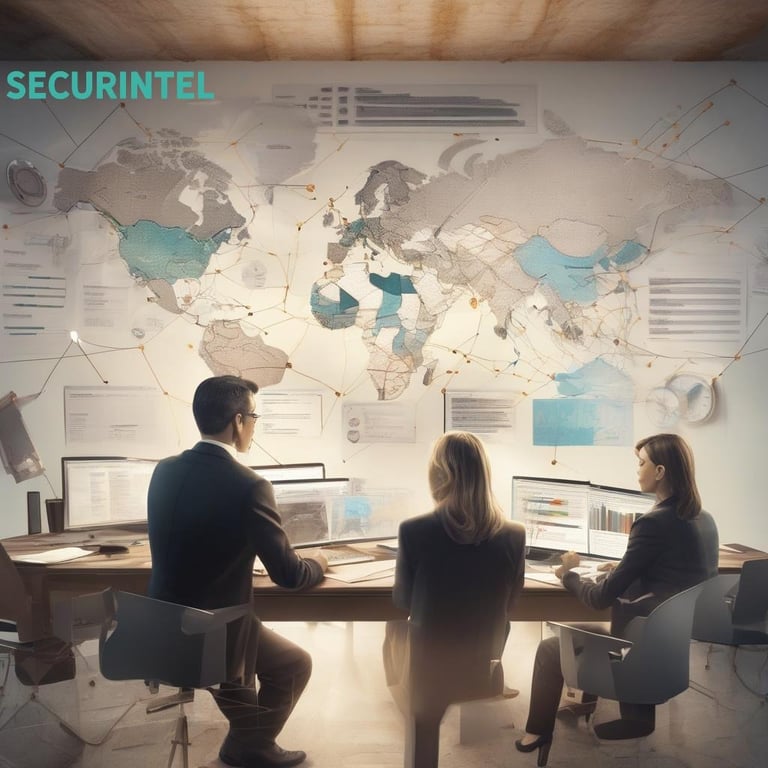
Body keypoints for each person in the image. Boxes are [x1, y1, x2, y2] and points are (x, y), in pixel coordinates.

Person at [147, 375, 328, 768]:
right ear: (239, 422)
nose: (254, 426)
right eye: (254, 417)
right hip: (214, 632)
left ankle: (246, 744)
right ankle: (252, 746)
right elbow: (289, 575)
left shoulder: (164, 470)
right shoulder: (249, 485)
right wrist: (320, 562)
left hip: (161, 627)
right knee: (294, 665)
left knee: (241, 656)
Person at [516, 433, 719, 765]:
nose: (637, 470)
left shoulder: (651, 523)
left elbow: (599, 598)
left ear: (660, 471)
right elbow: (675, 575)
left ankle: (538, 732)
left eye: (641, 463)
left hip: (637, 652)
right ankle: (622, 711)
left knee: (550, 649)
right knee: (591, 633)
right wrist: (625, 568)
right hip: (671, 649)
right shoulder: (703, 518)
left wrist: (568, 575)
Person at [383, 431, 526, 764]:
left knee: (394, 627)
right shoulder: (514, 534)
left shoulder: (413, 531)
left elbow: (402, 602)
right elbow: (511, 603)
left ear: (437, 475)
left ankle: (413, 713)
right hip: (482, 667)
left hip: (427, 673)